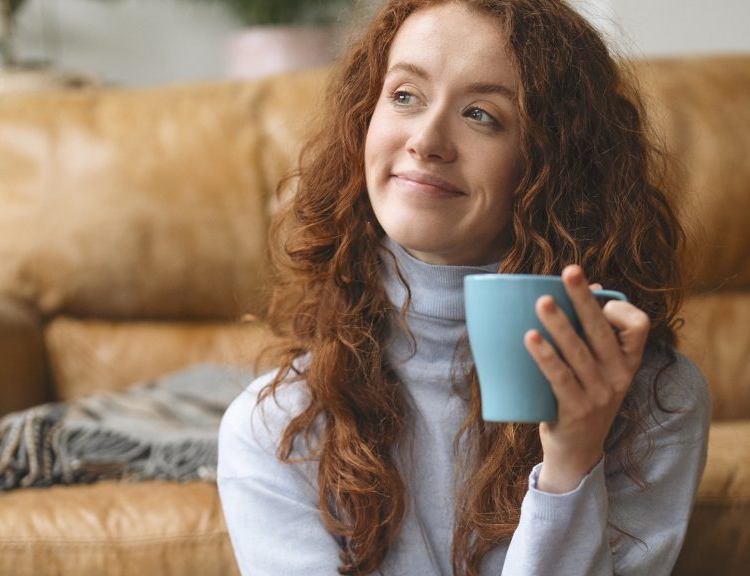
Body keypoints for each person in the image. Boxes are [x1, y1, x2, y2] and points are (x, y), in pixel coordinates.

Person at [216, 1, 711, 575]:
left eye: (481, 114)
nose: (426, 140)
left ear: (552, 161)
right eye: (404, 95)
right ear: (363, 120)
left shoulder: (656, 401)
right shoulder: (274, 428)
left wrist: (571, 465)